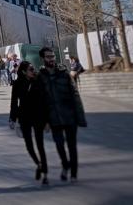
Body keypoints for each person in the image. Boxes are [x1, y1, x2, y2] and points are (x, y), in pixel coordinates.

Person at [39, 46, 85, 183]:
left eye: (53, 56)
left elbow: (75, 95)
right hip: (53, 118)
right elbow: (40, 101)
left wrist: (80, 117)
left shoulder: (64, 74)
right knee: (59, 145)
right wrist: (44, 121)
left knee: (72, 146)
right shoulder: (40, 77)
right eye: (48, 57)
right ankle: (65, 165)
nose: (51, 59)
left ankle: (73, 174)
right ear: (42, 59)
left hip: (69, 115)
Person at [9, 60, 50, 185]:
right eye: (31, 69)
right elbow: (14, 101)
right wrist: (13, 118)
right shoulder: (17, 83)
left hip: (38, 116)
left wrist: (47, 120)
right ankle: (39, 164)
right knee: (29, 146)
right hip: (24, 117)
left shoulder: (38, 81)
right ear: (23, 71)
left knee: (40, 145)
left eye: (33, 69)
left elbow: (45, 101)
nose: (33, 71)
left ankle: (45, 174)